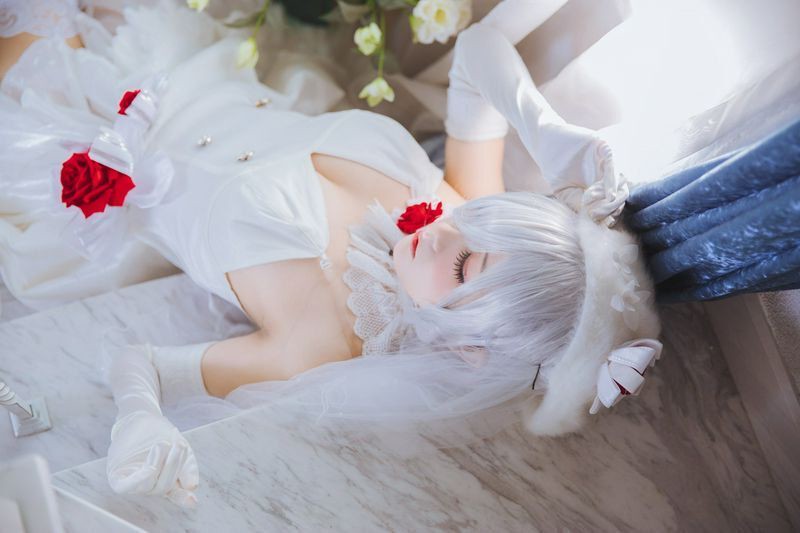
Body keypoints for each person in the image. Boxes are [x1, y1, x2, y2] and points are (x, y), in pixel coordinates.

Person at [0, 0, 661, 507]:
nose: (444, 231)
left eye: (465, 267)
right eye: (484, 223)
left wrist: (140, 421)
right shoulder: (457, 208)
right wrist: (542, 128)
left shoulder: (319, 343)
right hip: (185, 57)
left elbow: (142, 364)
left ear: (469, 348)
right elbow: (478, 48)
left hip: (79, 128)